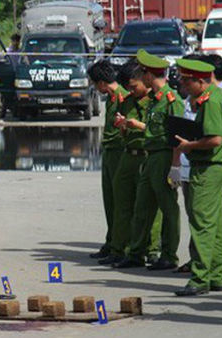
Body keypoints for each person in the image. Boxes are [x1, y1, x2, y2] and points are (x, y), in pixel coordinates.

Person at [113, 49, 184, 270]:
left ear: (149, 74)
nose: (141, 77)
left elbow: (177, 135)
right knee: (142, 206)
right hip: (150, 156)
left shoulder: (172, 100)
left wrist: (174, 165)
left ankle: (168, 254)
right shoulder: (155, 99)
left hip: (163, 156)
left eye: (143, 72)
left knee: (167, 208)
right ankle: (136, 252)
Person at [177, 54, 222, 280]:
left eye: (187, 81)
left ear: (201, 80)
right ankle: (214, 275)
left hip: (207, 168)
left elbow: (216, 139)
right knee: (213, 225)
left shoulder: (213, 100)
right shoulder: (213, 96)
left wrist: (189, 145)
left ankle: (201, 276)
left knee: (202, 225)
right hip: (211, 167)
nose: (183, 85)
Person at [103, 59, 162, 265]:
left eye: (134, 86)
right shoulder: (126, 101)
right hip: (128, 155)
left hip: (146, 155)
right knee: (121, 205)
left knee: (148, 208)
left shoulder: (157, 102)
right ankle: (120, 248)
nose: (131, 90)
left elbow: (161, 130)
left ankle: (152, 249)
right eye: (128, 87)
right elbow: (121, 126)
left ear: (145, 80)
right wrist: (123, 126)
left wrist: (139, 125)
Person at [87, 59, 128, 260]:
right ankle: (111, 241)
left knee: (120, 202)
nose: (96, 88)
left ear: (102, 82)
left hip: (120, 153)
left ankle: (120, 245)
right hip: (110, 152)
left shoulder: (123, 98)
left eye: (95, 84)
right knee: (110, 201)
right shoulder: (111, 99)